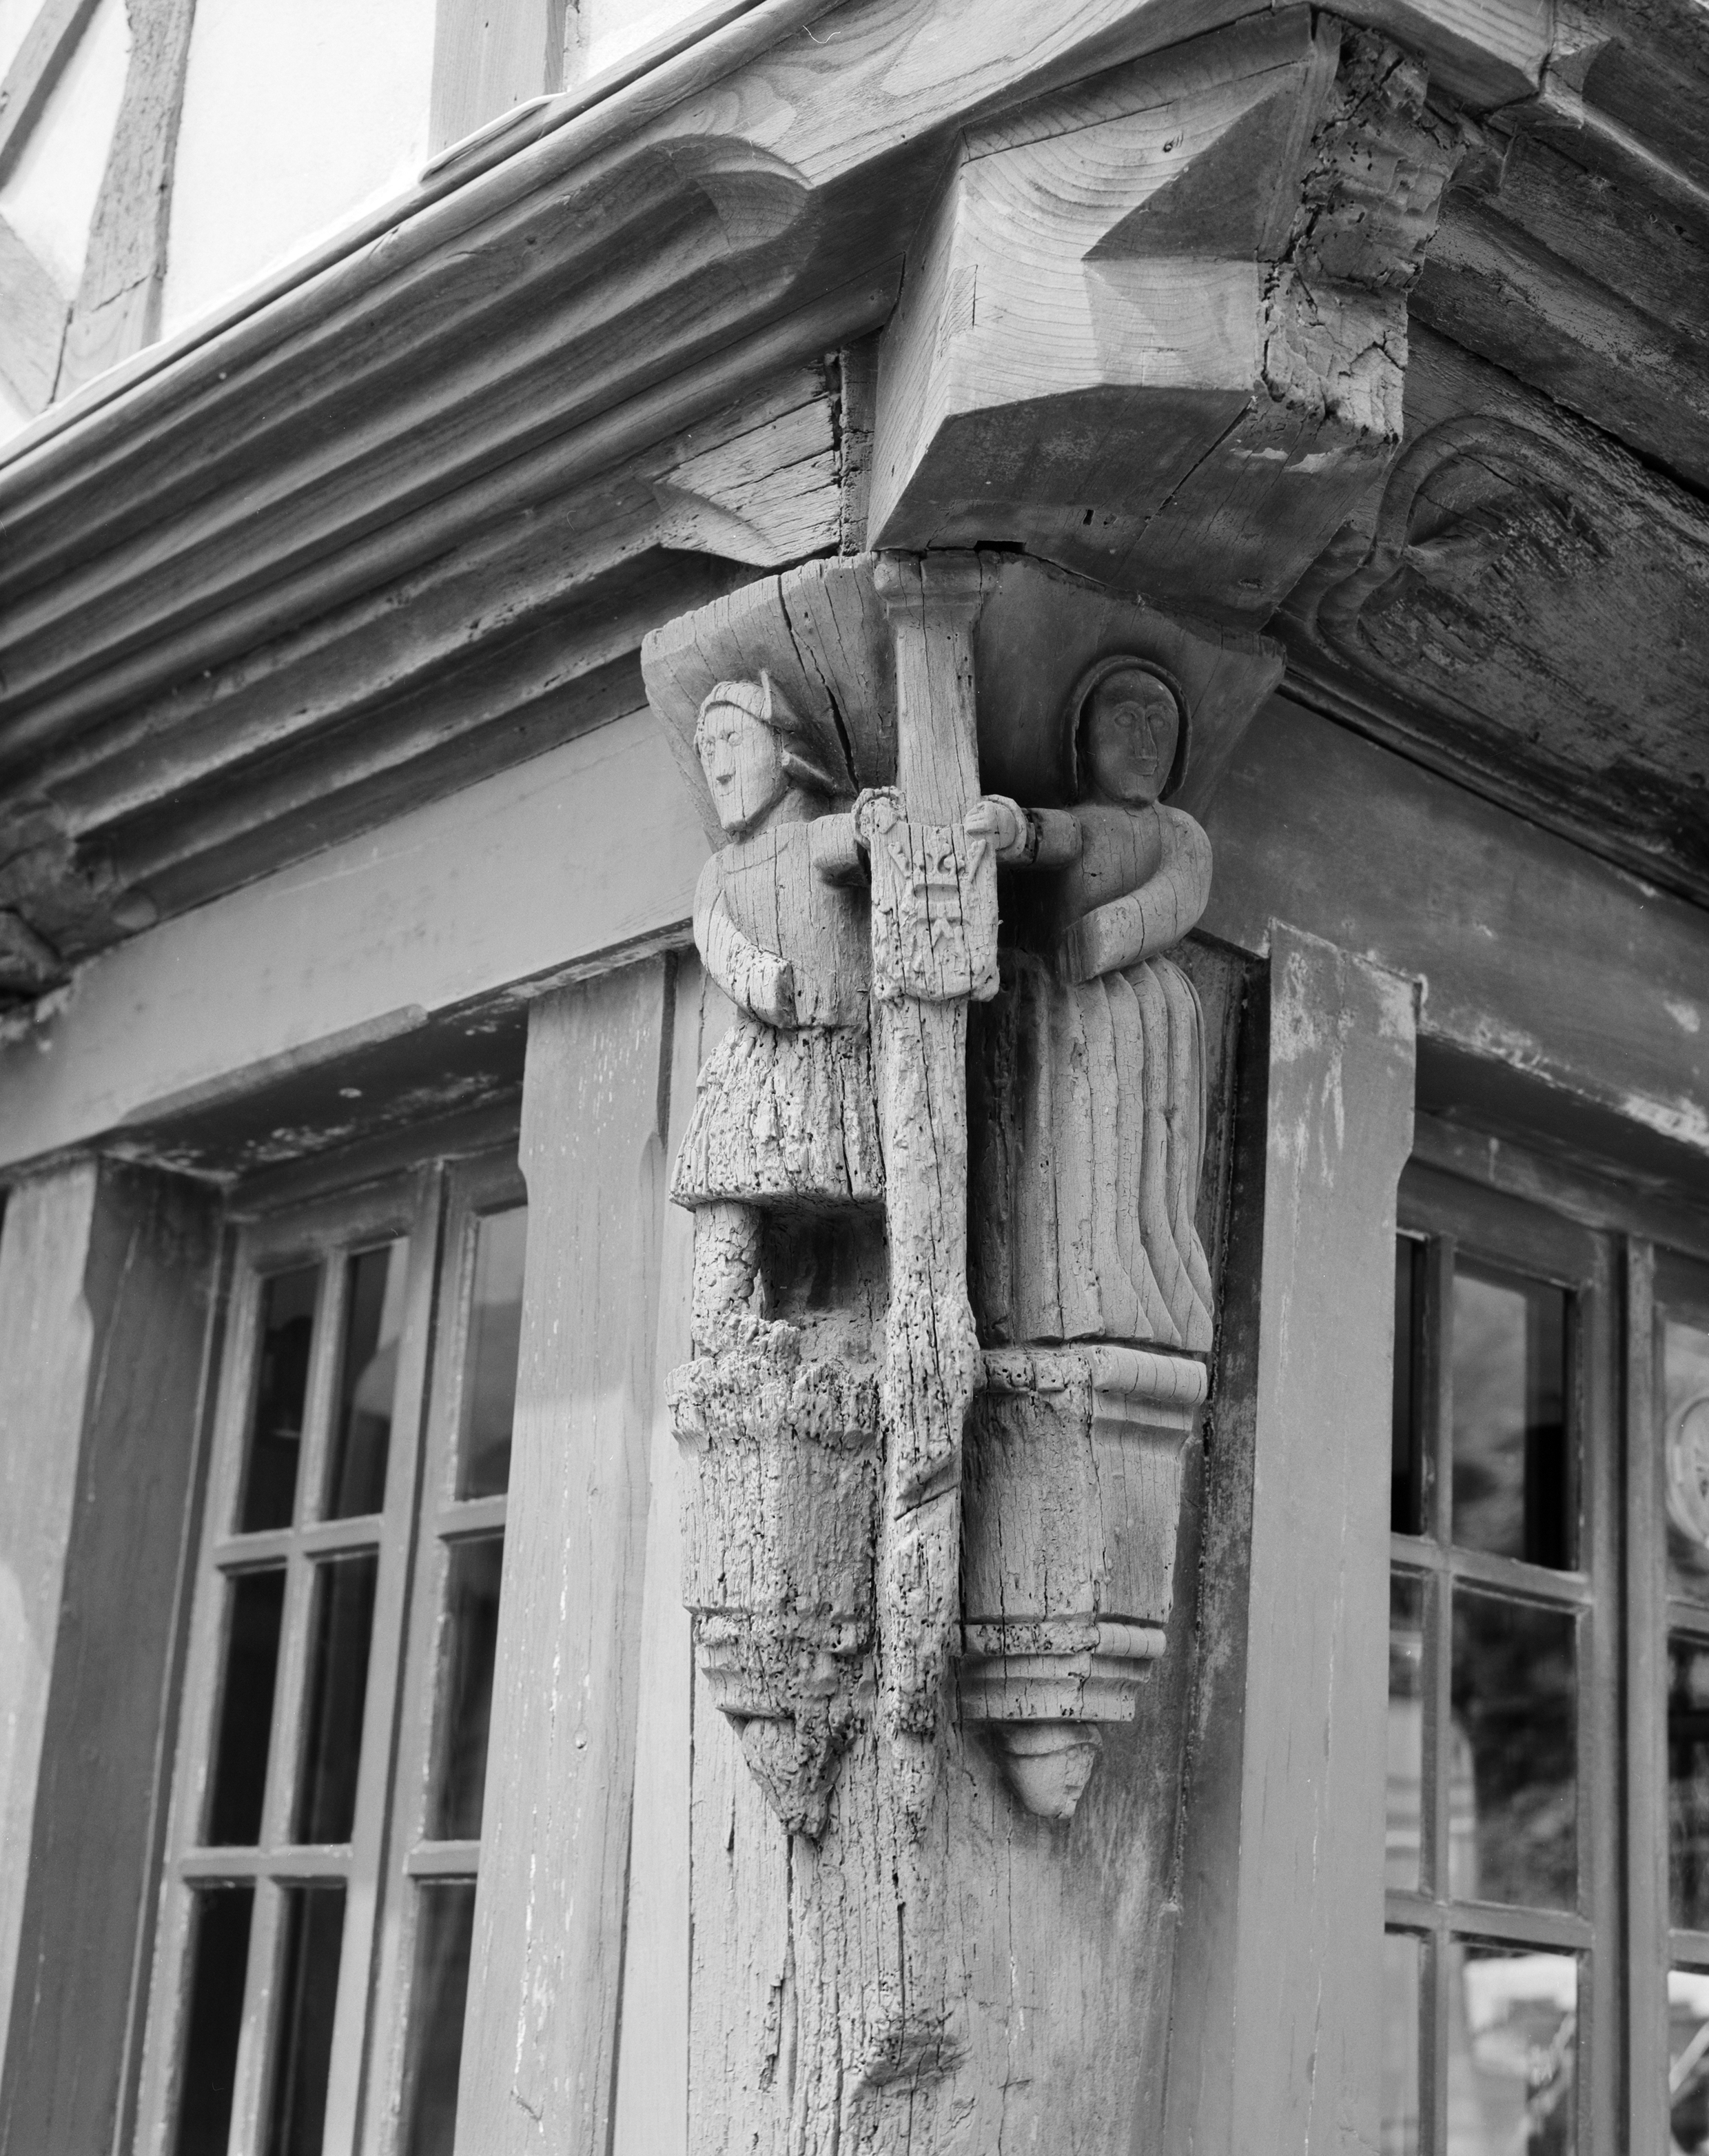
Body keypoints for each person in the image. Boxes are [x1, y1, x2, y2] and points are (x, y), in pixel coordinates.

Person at [965, 660, 1215, 1352]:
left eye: (1159, 724)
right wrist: (1007, 825)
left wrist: (1105, 934)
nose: (1144, 742)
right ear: (1082, 741)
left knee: (1152, 1160)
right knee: (1081, 1143)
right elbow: (1043, 835)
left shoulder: (1181, 832)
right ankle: (1076, 1287)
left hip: (1152, 1013)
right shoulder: (1082, 824)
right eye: (1125, 720)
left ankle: (1156, 1289)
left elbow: (1179, 893)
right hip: (1071, 1016)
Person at [672, 672, 881, 1347]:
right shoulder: (717, 872)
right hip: (757, 1057)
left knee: (844, 1183)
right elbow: (715, 938)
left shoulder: (815, 838)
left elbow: (859, 839)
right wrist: (757, 979)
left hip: (833, 1053)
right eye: (707, 750)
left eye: (734, 740)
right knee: (727, 1177)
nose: (719, 767)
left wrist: (876, 821)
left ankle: (859, 1313)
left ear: (786, 750)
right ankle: (720, 1319)